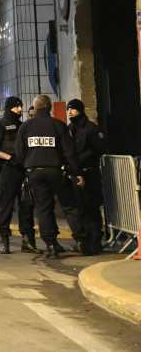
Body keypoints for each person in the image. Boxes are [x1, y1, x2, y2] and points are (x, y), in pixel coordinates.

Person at [15, 95, 83, 258]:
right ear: (50, 107)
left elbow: (19, 151)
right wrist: (77, 172)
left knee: (43, 208)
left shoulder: (25, 127)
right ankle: (81, 241)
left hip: (35, 173)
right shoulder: (58, 125)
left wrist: (29, 164)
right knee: (69, 205)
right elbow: (70, 152)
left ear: (35, 108)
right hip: (57, 171)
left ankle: (51, 244)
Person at [0, 96, 39, 254]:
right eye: (17, 107)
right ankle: (4, 241)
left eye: (21, 106)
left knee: (26, 206)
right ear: (9, 108)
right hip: (8, 171)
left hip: (23, 170)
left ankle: (27, 241)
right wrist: (9, 157)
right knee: (6, 207)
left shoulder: (24, 126)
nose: (20, 109)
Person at [66, 98, 107, 254]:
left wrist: (79, 161)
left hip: (89, 173)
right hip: (76, 174)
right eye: (68, 109)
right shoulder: (70, 128)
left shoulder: (91, 128)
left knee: (92, 207)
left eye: (73, 109)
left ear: (80, 110)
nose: (70, 112)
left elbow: (98, 149)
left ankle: (95, 241)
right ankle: (85, 242)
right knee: (80, 208)